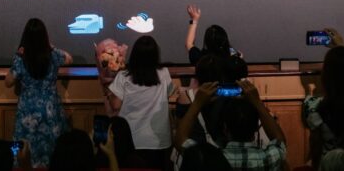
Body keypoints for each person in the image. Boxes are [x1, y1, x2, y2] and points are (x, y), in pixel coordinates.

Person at [174, 80, 288, 171]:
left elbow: (180, 140)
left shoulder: (209, 159)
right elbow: (279, 140)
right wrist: (257, 102)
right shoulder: (269, 158)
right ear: (256, 129)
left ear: (225, 129)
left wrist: (197, 103)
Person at [4, 18, 72, 166]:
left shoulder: (20, 58)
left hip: (27, 112)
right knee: (53, 154)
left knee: (21, 150)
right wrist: (51, 47)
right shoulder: (53, 55)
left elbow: (8, 82)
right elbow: (69, 59)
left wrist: (17, 58)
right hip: (51, 110)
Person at [104, 35, 178, 169]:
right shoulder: (164, 74)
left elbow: (115, 105)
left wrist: (108, 92)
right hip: (158, 139)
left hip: (131, 139)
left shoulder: (123, 76)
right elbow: (170, 93)